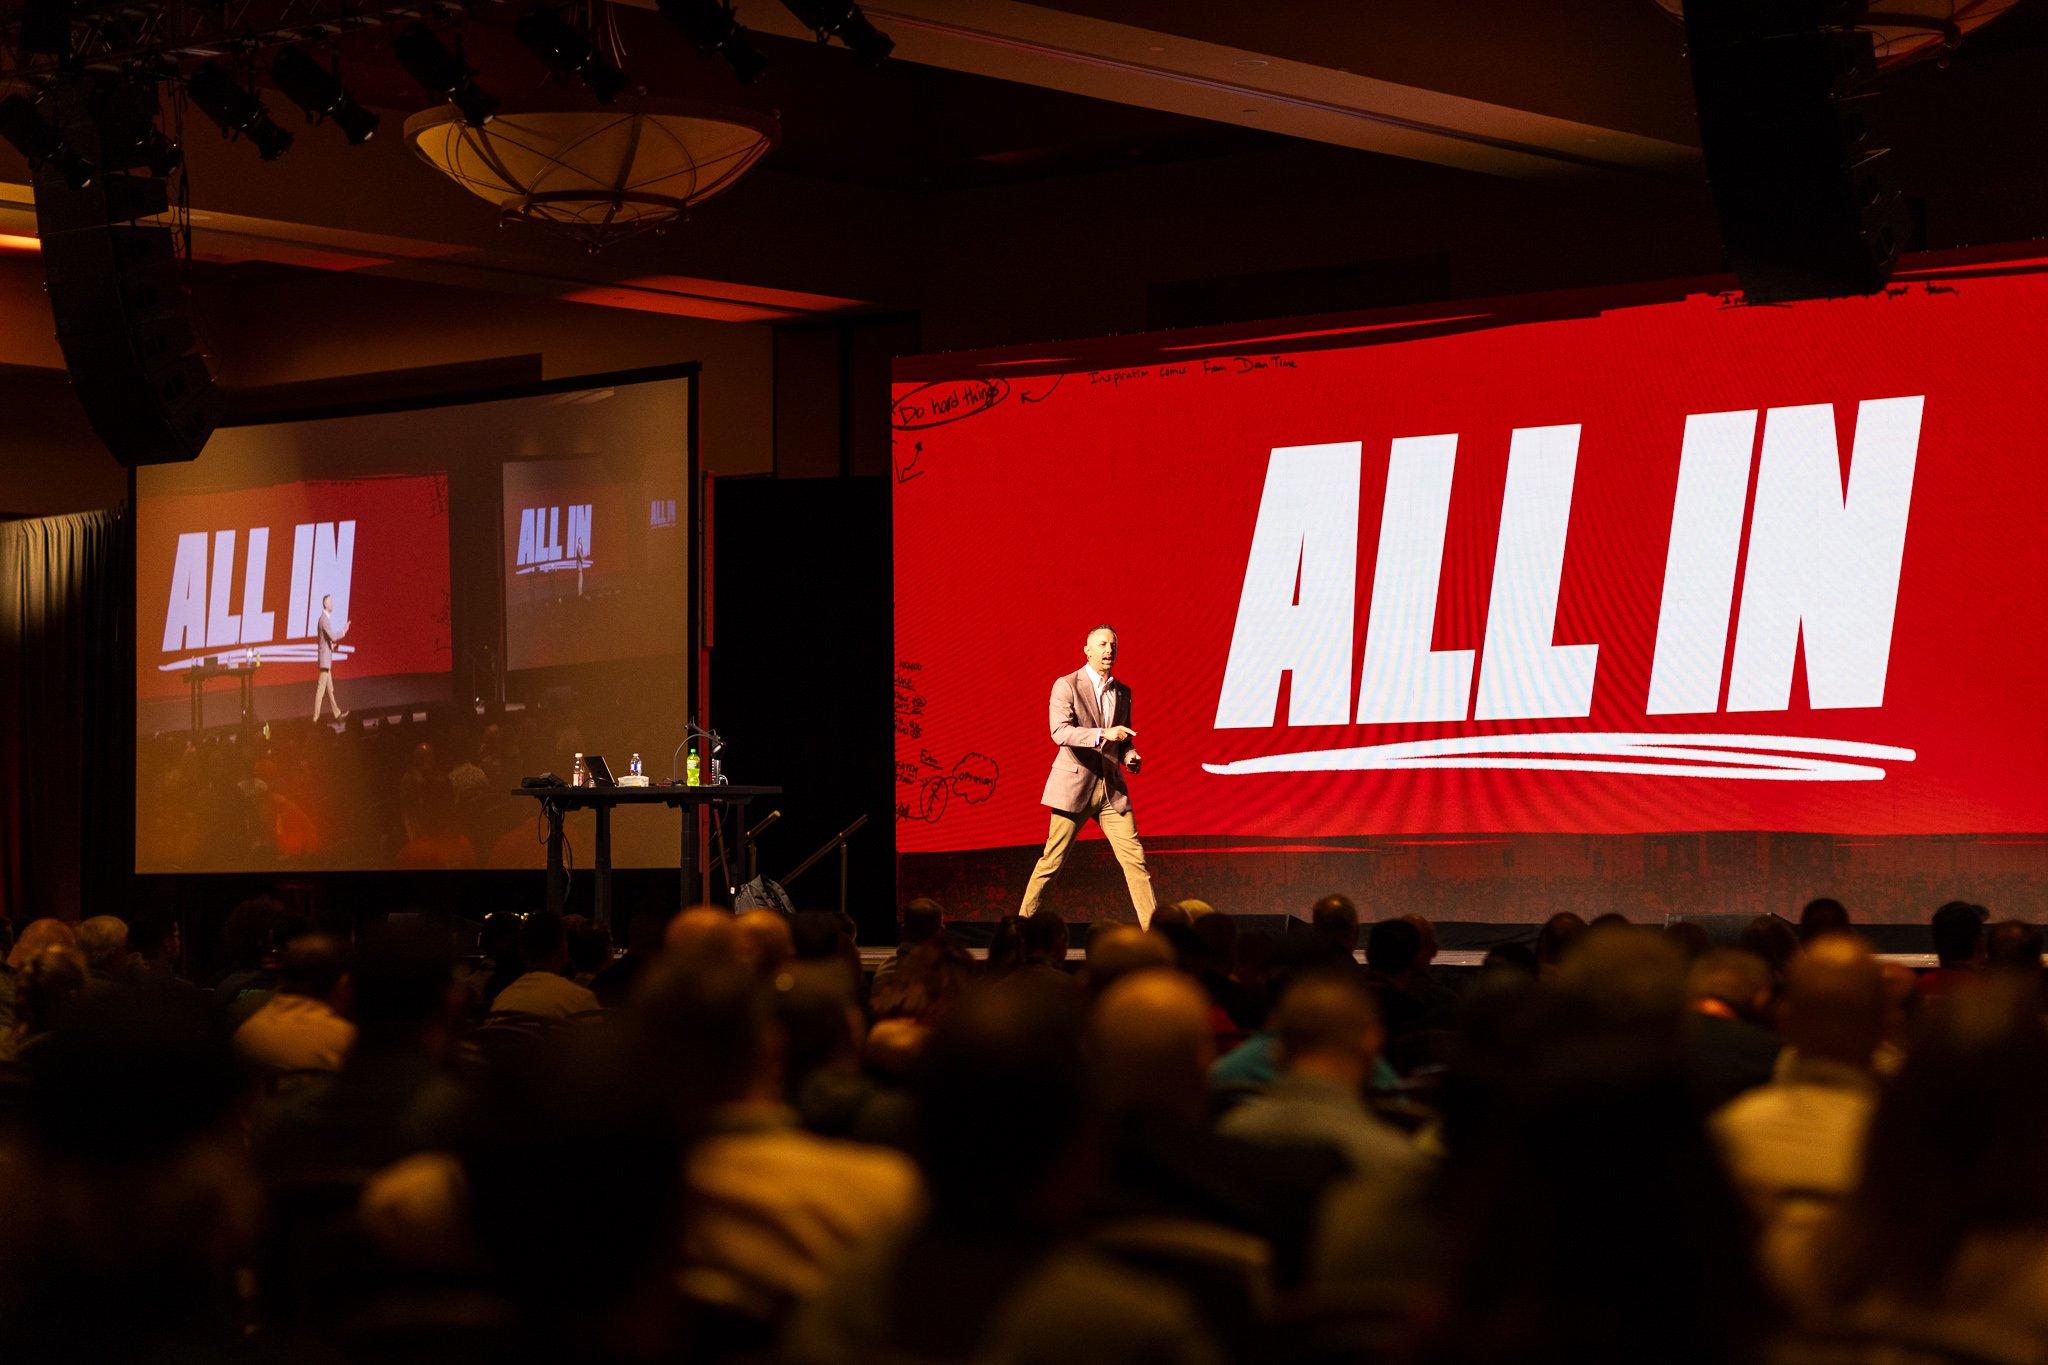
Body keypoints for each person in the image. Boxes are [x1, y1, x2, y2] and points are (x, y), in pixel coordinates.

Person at [1018, 625, 1157, 927]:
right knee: (1052, 861)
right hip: (1074, 787)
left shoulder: (1123, 692)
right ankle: (1021, 927)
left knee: (1136, 862)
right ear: (1087, 650)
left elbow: (1123, 740)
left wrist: (1130, 756)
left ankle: (1154, 934)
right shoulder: (1067, 685)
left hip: (1111, 791)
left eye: (1113, 645)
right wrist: (1103, 733)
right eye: (1103, 644)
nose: (1109, 650)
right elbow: (1060, 731)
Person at [311, 592, 349, 723]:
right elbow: (332, 636)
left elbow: (326, 641)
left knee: (330, 689)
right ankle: (315, 718)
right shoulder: (324, 620)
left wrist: (332, 647)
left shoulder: (325, 619)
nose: (332, 604)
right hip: (324, 661)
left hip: (326, 659)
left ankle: (337, 714)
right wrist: (344, 630)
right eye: (330, 602)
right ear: (326, 604)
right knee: (321, 689)